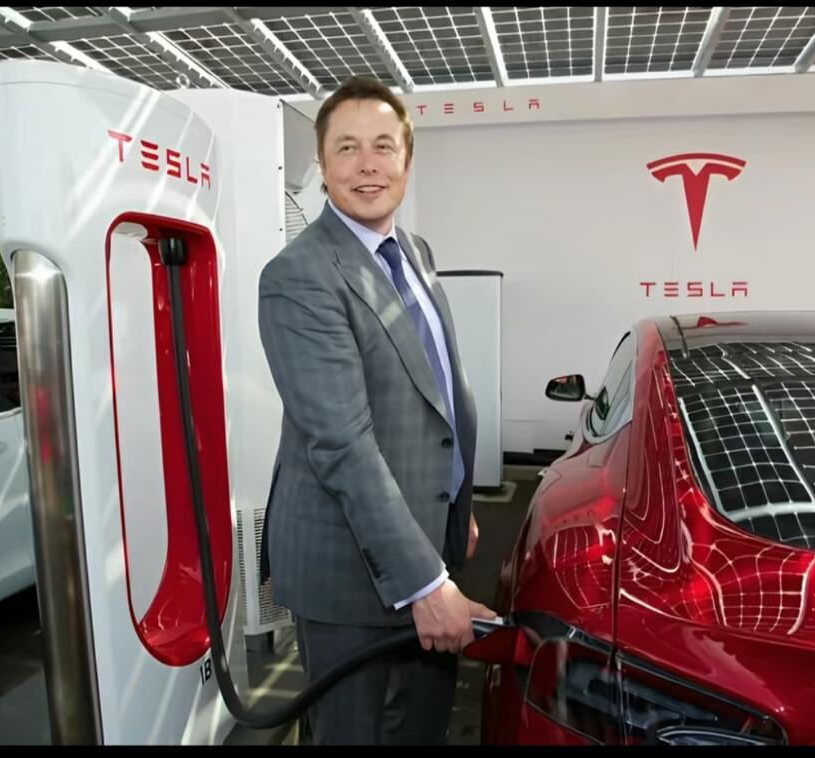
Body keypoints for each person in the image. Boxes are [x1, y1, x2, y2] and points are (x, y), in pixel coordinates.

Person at [256, 75, 495, 745]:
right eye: (348, 148)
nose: (368, 165)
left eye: (384, 146)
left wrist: (455, 501)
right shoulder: (300, 276)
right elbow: (344, 444)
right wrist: (425, 584)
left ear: (407, 161)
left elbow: (432, 393)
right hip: (347, 574)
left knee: (419, 728)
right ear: (323, 165)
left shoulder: (415, 253)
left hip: (426, 539)